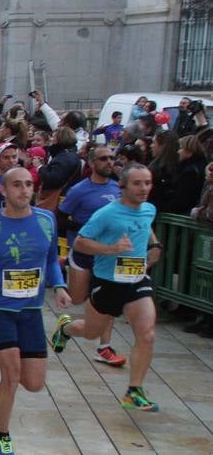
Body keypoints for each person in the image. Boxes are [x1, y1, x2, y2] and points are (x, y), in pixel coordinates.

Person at [0, 167, 70, 455]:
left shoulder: (46, 219)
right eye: (17, 185)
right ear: (3, 190)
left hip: (31, 310)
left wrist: (60, 286)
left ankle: (63, 331)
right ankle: (2, 435)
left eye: (29, 184)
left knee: (34, 383)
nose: (24, 190)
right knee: (12, 376)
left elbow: (51, 259)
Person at [51, 165, 164, 411]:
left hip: (136, 281)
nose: (144, 188)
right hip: (108, 282)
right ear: (123, 186)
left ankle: (134, 391)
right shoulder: (107, 213)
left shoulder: (149, 209)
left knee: (147, 334)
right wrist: (110, 250)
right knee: (91, 332)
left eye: (148, 182)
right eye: (137, 183)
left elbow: (146, 229)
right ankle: (66, 327)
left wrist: (155, 246)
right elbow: (80, 243)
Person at [60, 146, 125, 367]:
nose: (109, 162)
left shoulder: (118, 189)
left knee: (107, 304)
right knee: (77, 299)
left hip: (107, 257)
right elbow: (61, 218)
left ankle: (104, 347)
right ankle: (66, 328)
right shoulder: (79, 190)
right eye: (103, 158)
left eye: (112, 158)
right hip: (82, 253)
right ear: (91, 163)